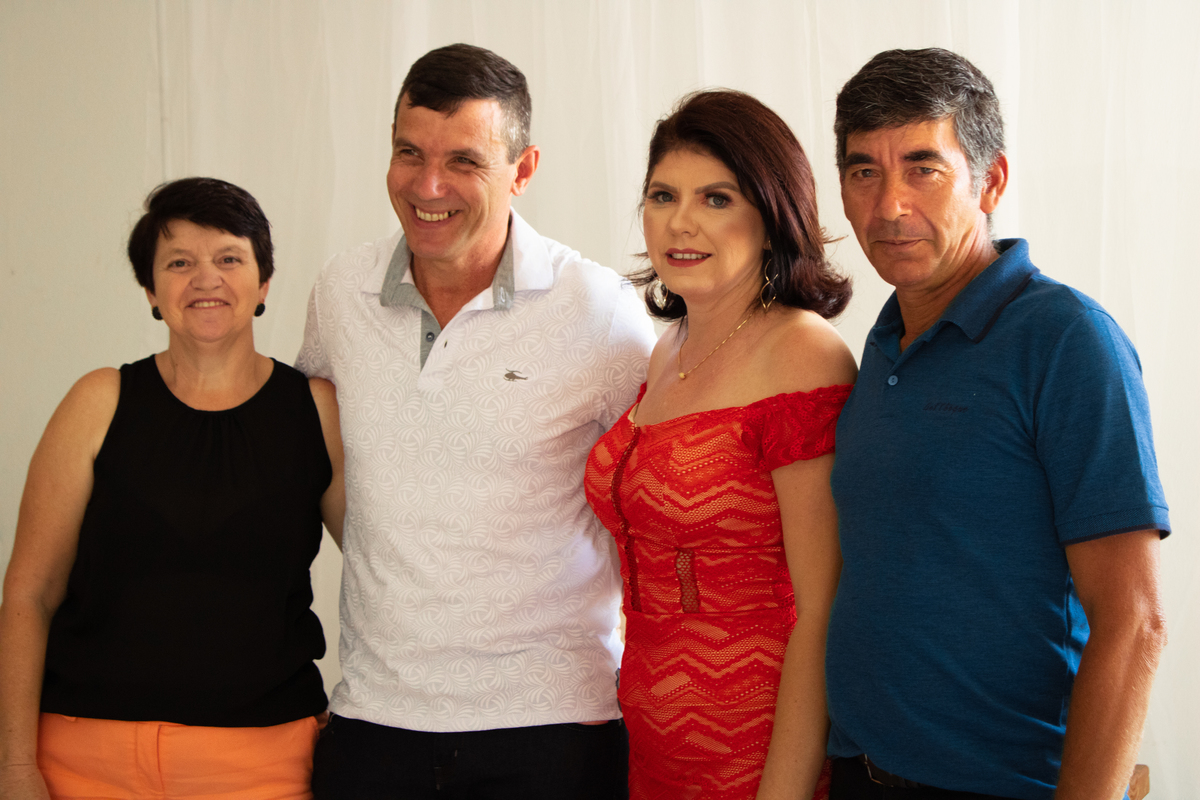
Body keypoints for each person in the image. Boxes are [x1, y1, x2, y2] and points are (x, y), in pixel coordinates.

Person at [296, 44, 654, 799]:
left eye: (464, 160)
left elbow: (654, 501)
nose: (428, 186)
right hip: (373, 720)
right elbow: (314, 460)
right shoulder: (339, 293)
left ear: (523, 170)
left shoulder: (598, 309)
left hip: (552, 730)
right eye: (409, 153)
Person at [825, 48, 1170, 800]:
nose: (889, 205)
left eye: (923, 168)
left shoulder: (1066, 338)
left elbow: (1135, 620)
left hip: (1004, 784)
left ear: (991, 181)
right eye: (863, 171)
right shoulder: (881, 343)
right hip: (857, 771)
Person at [0, 177, 345, 800]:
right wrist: (14, 767)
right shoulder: (98, 402)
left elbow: (384, 571)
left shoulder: (315, 412)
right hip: (81, 762)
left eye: (229, 259)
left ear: (264, 282)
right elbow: (30, 595)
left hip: (261, 766)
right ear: (151, 291)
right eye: (179, 263)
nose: (205, 278)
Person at [585, 90, 857, 800]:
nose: (680, 222)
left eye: (716, 198)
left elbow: (821, 608)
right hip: (651, 746)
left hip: (758, 752)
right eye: (663, 195)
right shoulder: (666, 350)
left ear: (771, 217)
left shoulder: (803, 353)